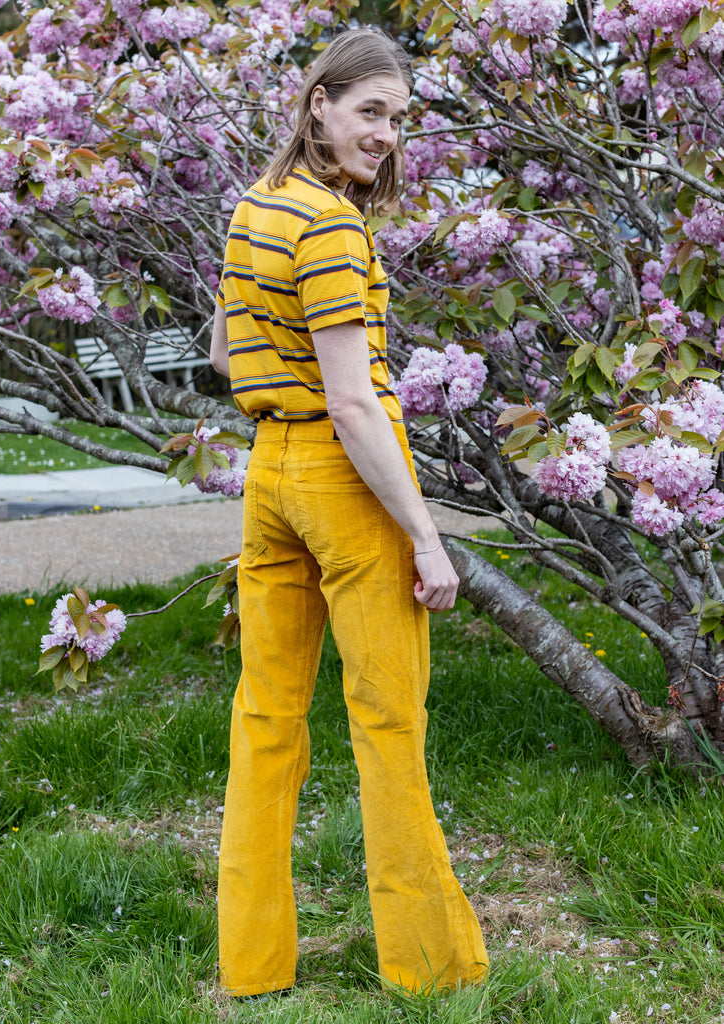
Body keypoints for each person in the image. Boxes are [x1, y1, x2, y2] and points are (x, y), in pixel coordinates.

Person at [209, 28, 488, 998]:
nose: (385, 136)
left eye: (398, 120)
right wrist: (426, 536)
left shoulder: (255, 206)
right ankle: (432, 970)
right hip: (341, 480)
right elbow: (354, 403)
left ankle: (251, 965)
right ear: (316, 102)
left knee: (266, 719)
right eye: (371, 112)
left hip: (268, 475)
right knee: (387, 723)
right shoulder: (330, 226)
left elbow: (223, 354)